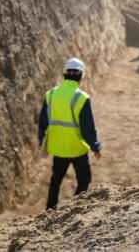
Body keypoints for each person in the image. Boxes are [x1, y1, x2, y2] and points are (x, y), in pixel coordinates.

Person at [38, 58, 102, 210]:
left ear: (64, 74)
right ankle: (77, 208)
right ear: (81, 75)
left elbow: (42, 122)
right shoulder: (82, 97)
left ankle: (49, 210)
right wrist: (95, 146)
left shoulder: (51, 94)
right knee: (84, 179)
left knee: (56, 180)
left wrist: (42, 143)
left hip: (58, 147)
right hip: (77, 147)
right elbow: (87, 128)